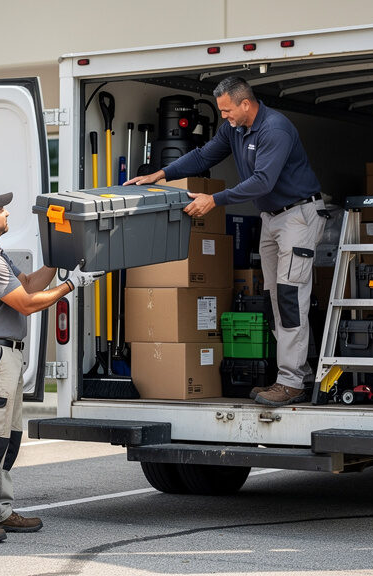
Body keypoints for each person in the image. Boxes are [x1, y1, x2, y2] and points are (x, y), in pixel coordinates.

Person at [125, 76, 326, 407]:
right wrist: (161, 174)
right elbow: (204, 156)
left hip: (298, 217)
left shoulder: (275, 129)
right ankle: (298, 373)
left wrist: (214, 200)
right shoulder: (235, 129)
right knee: (276, 298)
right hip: (272, 218)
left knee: (290, 298)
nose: (223, 117)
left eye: (227, 110)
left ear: (245, 104)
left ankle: (291, 382)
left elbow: (262, 181)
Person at [0, 188, 102, 543]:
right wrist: (70, 285)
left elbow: (32, 283)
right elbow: (28, 303)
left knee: (9, 438)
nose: (6, 213)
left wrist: (58, 257)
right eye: (0, 209)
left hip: (7, 356)